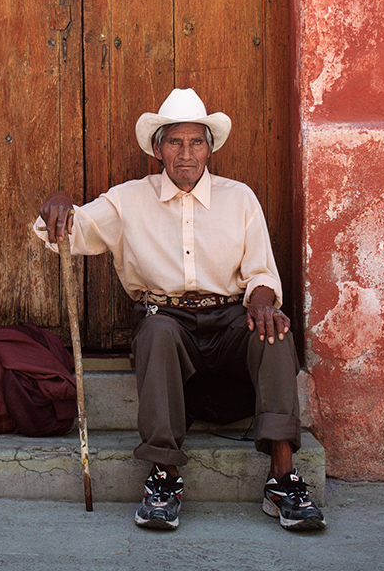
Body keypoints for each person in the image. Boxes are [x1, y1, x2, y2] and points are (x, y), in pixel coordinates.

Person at [34, 87, 325, 532]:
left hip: (229, 318)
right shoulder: (128, 199)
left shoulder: (240, 198)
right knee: (156, 331)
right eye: (175, 142)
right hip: (166, 320)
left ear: (210, 148)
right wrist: (58, 203)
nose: (186, 154)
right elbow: (72, 231)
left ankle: (282, 479)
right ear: (157, 149)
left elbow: (262, 274)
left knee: (275, 330)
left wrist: (265, 302)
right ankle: (164, 478)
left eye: (196, 142)